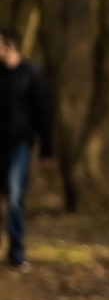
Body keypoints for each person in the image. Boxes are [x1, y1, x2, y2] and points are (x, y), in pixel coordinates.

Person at [0, 28, 53, 271]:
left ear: (10, 46)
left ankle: (16, 252)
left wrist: (46, 149)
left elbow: (43, 112)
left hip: (20, 146)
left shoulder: (31, 74)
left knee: (15, 197)